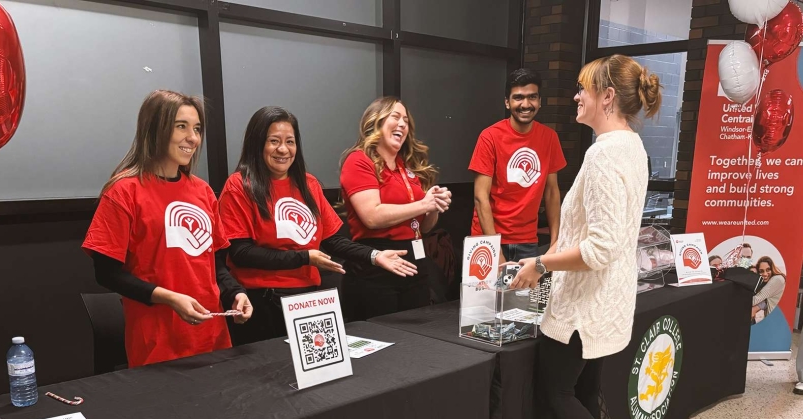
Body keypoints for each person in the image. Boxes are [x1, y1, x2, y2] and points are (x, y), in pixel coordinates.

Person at [507, 55, 661, 419]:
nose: (576, 97)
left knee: (557, 392)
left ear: (607, 97)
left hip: (582, 306)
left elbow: (598, 247)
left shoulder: (604, 154)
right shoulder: (632, 146)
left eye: (583, 89)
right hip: (606, 302)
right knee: (588, 391)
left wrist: (541, 263)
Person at [219, 106, 418, 344]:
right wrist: (305, 258)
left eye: (290, 142)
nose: (283, 149)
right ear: (257, 143)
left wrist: (374, 255)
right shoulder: (239, 186)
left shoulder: (308, 184)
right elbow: (241, 253)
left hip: (307, 301)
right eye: (274, 141)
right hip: (262, 303)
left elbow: (332, 240)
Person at [83, 90, 252, 368]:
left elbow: (216, 264)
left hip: (212, 339)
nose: (193, 138)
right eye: (181, 126)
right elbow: (107, 273)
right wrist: (169, 298)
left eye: (197, 129)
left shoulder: (203, 192)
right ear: (156, 129)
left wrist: (236, 293)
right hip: (157, 342)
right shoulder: (123, 192)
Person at [339, 97, 452, 321]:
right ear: (377, 121)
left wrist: (434, 205)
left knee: (416, 338)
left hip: (414, 260)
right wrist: (423, 203)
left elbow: (423, 227)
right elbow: (372, 216)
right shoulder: (359, 160)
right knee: (382, 337)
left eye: (406, 121)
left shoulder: (406, 166)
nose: (402, 124)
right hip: (376, 264)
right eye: (395, 117)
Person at [470, 68, 566, 263]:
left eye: (532, 97)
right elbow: (481, 197)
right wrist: (494, 250)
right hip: (486, 240)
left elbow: (552, 192)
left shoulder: (549, 137)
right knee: (485, 294)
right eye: (518, 98)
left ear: (540, 101)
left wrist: (556, 241)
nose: (526, 104)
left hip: (527, 241)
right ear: (507, 102)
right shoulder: (490, 137)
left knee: (524, 294)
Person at [751, 256, 786, 323]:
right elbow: (766, 300)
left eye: (768, 270)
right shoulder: (768, 283)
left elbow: (755, 300)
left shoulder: (777, 279)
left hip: (775, 321)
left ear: (772, 269)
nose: (765, 274)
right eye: (761, 271)